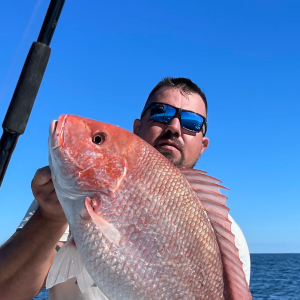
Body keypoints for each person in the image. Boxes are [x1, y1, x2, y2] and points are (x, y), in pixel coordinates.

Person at [0, 77, 250, 300]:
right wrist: (48, 219)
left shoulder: (228, 239)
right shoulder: (62, 200)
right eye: (161, 112)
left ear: (203, 144)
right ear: (136, 127)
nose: (174, 127)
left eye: (192, 123)